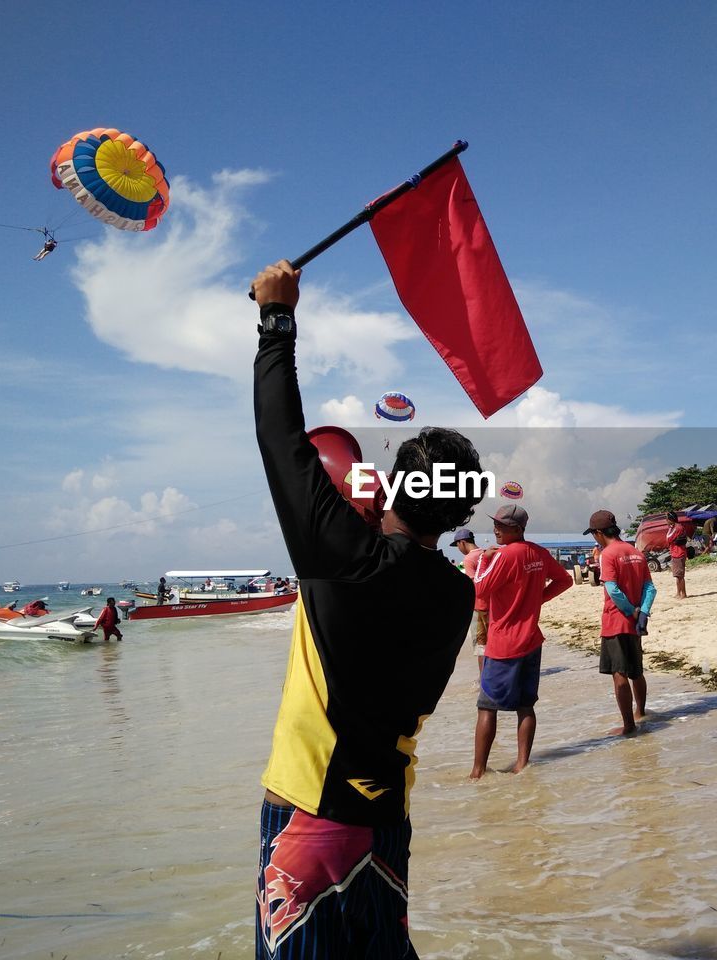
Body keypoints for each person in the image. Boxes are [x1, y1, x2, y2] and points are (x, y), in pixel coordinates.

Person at [251, 259, 483, 959]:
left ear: (390, 489)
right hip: (384, 818)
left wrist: (277, 322)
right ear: (460, 511)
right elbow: (288, 451)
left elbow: (280, 441)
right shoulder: (457, 592)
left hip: (313, 816)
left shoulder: (343, 559)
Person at [469, 504, 572, 779]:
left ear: (518, 529)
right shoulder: (538, 552)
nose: (496, 530)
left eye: (502, 526)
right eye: (496, 524)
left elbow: (479, 588)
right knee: (526, 706)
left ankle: (478, 771)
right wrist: (538, 598)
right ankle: (522, 764)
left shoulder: (505, 555)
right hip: (531, 640)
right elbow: (564, 580)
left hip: (504, 643)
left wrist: (484, 559)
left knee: (486, 707)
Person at [586, 509, 656, 736]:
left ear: (598, 533)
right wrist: (643, 612)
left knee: (619, 672)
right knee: (636, 670)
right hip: (636, 624)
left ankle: (628, 726)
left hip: (617, 620)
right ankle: (640, 712)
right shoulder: (636, 552)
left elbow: (612, 589)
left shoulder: (607, 554)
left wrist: (632, 611)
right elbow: (650, 587)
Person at [451, 527, 488, 672]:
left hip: (479, 607)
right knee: (494, 645)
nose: (458, 549)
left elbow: (474, 586)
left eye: (457, 545)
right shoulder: (486, 554)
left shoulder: (469, 559)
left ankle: (483, 681)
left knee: (481, 648)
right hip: (495, 605)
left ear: (462, 542)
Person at [665, 512, 690, 598]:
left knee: (680, 575)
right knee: (677, 575)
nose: (666, 521)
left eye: (667, 519)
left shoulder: (677, 527)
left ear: (671, 519)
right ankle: (678, 592)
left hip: (679, 553)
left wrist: (670, 527)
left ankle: (683, 594)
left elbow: (669, 538)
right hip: (675, 552)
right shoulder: (675, 527)